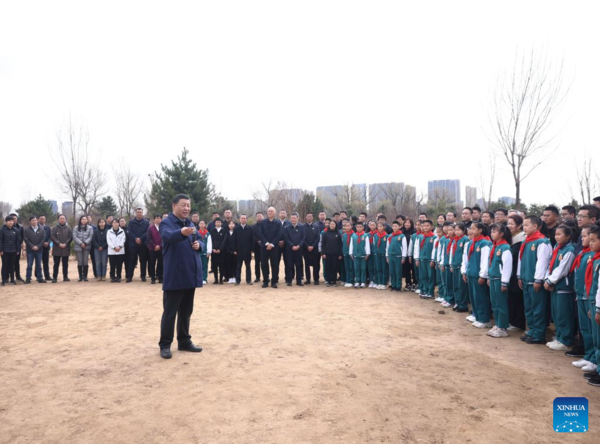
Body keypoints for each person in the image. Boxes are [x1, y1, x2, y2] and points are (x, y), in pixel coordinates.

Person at [158, 193, 204, 360]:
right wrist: (181, 233)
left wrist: (199, 245)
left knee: (186, 311)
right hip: (175, 275)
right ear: (174, 206)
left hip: (190, 275)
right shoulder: (166, 223)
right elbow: (167, 236)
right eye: (183, 205)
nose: (186, 208)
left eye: (188, 205)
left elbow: (200, 239)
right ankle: (165, 345)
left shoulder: (190, 223)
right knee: (170, 312)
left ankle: (184, 341)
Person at [517, 215, 552, 344]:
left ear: (536, 226)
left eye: (527, 225)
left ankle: (539, 333)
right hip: (526, 279)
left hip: (535, 281)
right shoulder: (526, 241)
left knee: (538, 308)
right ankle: (532, 329)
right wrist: (519, 275)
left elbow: (542, 262)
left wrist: (538, 279)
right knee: (529, 308)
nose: (524, 227)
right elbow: (521, 260)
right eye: (523, 225)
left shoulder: (541, 242)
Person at [544, 225, 576, 351]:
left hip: (564, 287)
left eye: (560, 234)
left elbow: (562, 270)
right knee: (557, 314)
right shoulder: (557, 248)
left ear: (568, 236)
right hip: (555, 287)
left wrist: (550, 280)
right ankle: (559, 337)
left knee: (564, 315)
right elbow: (550, 265)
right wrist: (548, 279)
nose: (556, 237)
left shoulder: (569, 250)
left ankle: (566, 341)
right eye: (556, 234)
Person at [571, 226, 596, 371]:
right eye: (583, 236)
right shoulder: (583, 253)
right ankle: (588, 355)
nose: (583, 239)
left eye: (586, 236)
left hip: (589, 297)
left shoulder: (594, 256)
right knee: (585, 328)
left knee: (593, 330)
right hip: (580, 295)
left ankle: (594, 359)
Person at [461, 222, 492, 328]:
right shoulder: (470, 243)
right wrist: (464, 271)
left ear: (480, 230)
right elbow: (466, 259)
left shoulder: (485, 243)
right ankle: (477, 316)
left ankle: (484, 319)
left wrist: (483, 275)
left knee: (481, 297)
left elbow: (485, 261)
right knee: (473, 297)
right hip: (471, 273)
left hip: (478, 275)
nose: (471, 231)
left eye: (473, 229)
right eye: (470, 229)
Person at [487, 224, 513, 337]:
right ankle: (497, 324)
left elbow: (507, 266)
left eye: (495, 232)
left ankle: (503, 327)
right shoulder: (495, 246)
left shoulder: (505, 247)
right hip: (493, 278)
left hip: (500, 279)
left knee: (501, 303)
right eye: (491, 231)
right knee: (495, 303)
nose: (492, 234)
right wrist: (489, 276)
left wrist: (504, 282)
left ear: (501, 234)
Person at [584, 225, 600, 384]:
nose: (590, 243)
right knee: (596, 338)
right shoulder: (595, 258)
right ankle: (598, 367)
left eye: (594, 240)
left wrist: (598, 308)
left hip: (598, 304)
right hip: (594, 302)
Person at [507, 214, 527, 331]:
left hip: (516, 272)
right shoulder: (511, 237)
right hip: (510, 272)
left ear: (519, 226)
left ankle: (518, 323)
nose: (509, 226)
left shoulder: (521, 239)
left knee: (516, 298)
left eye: (512, 224)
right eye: (508, 223)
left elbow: (514, 256)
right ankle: (512, 320)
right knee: (511, 298)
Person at [259, 207, 283, 288]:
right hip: (264, 247)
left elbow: (279, 234)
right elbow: (261, 234)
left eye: (271, 211)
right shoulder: (262, 222)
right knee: (264, 264)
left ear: (275, 213)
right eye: (268, 211)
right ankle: (265, 281)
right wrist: (267, 243)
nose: (270, 212)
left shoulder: (278, 223)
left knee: (274, 264)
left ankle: (274, 281)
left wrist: (272, 244)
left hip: (274, 247)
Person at [450, 223, 469, 313]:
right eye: (456, 230)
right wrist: (451, 264)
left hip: (461, 266)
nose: (457, 232)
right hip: (455, 265)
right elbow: (452, 253)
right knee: (456, 286)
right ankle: (457, 302)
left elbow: (465, 255)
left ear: (463, 230)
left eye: (459, 230)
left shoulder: (465, 239)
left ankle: (463, 304)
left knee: (462, 286)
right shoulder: (455, 240)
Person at [127, 208, 150, 282]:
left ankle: (143, 276)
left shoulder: (146, 222)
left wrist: (141, 239)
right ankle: (129, 276)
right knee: (132, 261)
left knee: (143, 261)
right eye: (138, 212)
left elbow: (147, 232)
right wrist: (136, 239)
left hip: (143, 244)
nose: (139, 213)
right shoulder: (131, 222)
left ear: (142, 213)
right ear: (135, 213)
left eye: (140, 212)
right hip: (133, 244)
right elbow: (130, 232)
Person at [415, 220, 435, 298]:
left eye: (428, 226)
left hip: (429, 261)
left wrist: (433, 260)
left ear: (431, 227)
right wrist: (417, 259)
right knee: (423, 276)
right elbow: (417, 249)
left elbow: (434, 250)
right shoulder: (420, 237)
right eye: (424, 226)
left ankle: (430, 292)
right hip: (421, 260)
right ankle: (424, 290)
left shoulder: (434, 237)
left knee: (430, 276)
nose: (426, 227)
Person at [22, 216, 46, 284]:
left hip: (39, 250)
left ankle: (40, 278)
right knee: (29, 265)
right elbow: (26, 239)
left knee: (38, 265)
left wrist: (38, 246)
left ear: (37, 221)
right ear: (30, 221)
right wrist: (32, 246)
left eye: (35, 220)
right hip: (30, 250)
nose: (34, 221)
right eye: (33, 220)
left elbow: (43, 239)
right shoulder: (26, 230)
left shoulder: (41, 229)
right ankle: (28, 278)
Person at [283, 213, 305, 286]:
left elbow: (303, 238)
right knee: (289, 265)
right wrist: (292, 246)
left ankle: (299, 280)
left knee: (299, 265)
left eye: (294, 218)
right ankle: (289, 280)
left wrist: (298, 246)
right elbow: (286, 238)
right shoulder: (287, 228)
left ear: (297, 218)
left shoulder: (302, 227)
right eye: (292, 218)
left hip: (299, 250)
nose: (293, 219)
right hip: (289, 250)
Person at [50, 214, 72, 283]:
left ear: (65, 219)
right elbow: (52, 236)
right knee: (56, 264)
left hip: (65, 248)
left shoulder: (68, 228)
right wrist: (59, 243)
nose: (62, 220)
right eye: (61, 218)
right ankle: (54, 277)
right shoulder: (54, 228)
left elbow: (70, 237)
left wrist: (66, 243)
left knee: (65, 264)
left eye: (63, 218)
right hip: (57, 249)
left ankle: (65, 277)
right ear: (58, 219)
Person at [386, 221, 406, 292]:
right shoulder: (390, 236)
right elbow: (387, 247)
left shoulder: (402, 236)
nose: (394, 227)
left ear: (399, 227)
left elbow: (404, 247)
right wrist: (387, 256)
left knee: (398, 272)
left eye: (396, 226)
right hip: (391, 256)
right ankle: (393, 285)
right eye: (393, 226)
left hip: (398, 256)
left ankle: (398, 286)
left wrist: (403, 257)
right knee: (392, 272)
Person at [234, 214, 255, 285]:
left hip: (247, 250)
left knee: (248, 266)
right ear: (240, 219)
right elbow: (234, 240)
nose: (243, 219)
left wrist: (252, 249)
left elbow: (252, 239)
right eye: (242, 218)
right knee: (238, 266)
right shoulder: (236, 228)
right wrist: (234, 249)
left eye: (244, 218)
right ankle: (237, 280)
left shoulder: (250, 228)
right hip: (238, 250)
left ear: (246, 219)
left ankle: (248, 280)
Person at [320, 220, 342, 287]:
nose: (332, 225)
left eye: (333, 224)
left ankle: (334, 281)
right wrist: (323, 253)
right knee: (328, 267)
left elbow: (340, 245)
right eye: (331, 224)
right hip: (327, 254)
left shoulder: (338, 234)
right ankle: (328, 280)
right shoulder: (325, 233)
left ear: (335, 225)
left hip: (335, 254)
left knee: (334, 267)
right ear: (329, 225)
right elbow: (322, 244)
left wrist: (340, 254)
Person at [0, 216, 21, 285]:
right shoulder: (2, 230)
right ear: (6, 222)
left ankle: (12, 279)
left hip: (13, 251)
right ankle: (4, 280)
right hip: (5, 251)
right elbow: (0, 241)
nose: (10, 222)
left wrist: (17, 250)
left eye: (12, 221)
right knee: (5, 265)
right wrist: (1, 250)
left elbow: (17, 241)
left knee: (12, 265)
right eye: (9, 221)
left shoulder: (16, 230)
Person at [73, 215, 94, 282]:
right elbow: (74, 236)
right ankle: (80, 276)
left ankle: (85, 276)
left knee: (85, 261)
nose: (84, 220)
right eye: (82, 219)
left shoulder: (90, 228)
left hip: (86, 246)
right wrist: (80, 243)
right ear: (80, 220)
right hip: (78, 247)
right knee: (80, 261)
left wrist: (85, 243)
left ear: (87, 220)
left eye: (85, 219)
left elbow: (90, 236)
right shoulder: (76, 228)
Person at [302, 212, 321, 285]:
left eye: (310, 216)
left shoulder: (316, 226)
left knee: (316, 264)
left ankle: (316, 279)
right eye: (308, 216)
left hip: (314, 248)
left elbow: (318, 237)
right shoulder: (303, 226)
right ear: (306, 218)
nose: (309, 218)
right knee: (306, 264)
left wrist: (312, 246)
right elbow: (302, 237)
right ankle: (308, 279)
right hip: (305, 248)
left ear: (313, 218)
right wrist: (307, 246)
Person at [440, 222, 455, 308]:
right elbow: (443, 253)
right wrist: (442, 263)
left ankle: (451, 299)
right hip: (445, 265)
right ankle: (447, 298)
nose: (449, 232)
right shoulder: (446, 241)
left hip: (452, 266)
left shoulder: (455, 241)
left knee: (452, 284)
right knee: (446, 283)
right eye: (448, 230)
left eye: (451, 230)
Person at [147, 214, 164, 284]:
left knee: (161, 263)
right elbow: (149, 238)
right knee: (152, 263)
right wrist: (154, 246)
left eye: (159, 218)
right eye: (156, 218)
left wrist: (159, 246)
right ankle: (153, 278)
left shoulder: (163, 228)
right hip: (152, 249)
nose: (158, 219)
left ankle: (160, 277)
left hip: (161, 248)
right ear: (154, 220)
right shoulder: (150, 228)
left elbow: (164, 238)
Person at [372, 222, 389, 290]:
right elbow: (374, 244)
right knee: (378, 269)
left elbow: (387, 246)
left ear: (384, 227)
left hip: (383, 254)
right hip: (377, 254)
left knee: (384, 269)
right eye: (378, 227)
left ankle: (384, 283)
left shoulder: (387, 236)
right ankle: (379, 282)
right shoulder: (375, 236)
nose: (379, 228)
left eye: (381, 226)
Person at [9, 214, 24, 282]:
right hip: (9, 248)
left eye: (15, 218)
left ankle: (18, 276)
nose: (14, 220)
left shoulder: (20, 227)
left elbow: (22, 237)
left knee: (17, 263)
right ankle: (7, 277)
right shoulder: (6, 227)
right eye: (13, 218)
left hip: (17, 248)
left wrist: (20, 244)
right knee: (9, 263)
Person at [209, 218, 226, 284]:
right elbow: (211, 241)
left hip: (221, 251)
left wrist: (220, 249)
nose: (218, 223)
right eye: (217, 222)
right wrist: (213, 248)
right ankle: (216, 279)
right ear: (215, 223)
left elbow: (224, 240)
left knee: (222, 265)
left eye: (219, 222)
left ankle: (221, 279)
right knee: (214, 265)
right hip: (214, 251)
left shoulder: (224, 231)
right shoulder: (212, 230)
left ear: (221, 223)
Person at [402, 219, 416, 290]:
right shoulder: (402, 232)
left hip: (412, 253)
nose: (407, 224)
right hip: (404, 253)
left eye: (409, 223)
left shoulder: (414, 232)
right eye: (406, 223)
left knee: (413, 269)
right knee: (406, 269)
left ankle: (414, 283)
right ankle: (408, 283)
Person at [38, 215, 52, 281]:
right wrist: (41, 243)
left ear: (45, 220)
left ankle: (47, 276)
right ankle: (38, 276)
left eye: (43, 219)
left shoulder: (48, 228)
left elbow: (50, 237)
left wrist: (48, 242)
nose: (42, 220)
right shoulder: (36, 227)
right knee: (38, 262)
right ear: (38, 220)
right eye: (41, 219)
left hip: (46, 247)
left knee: (46, 262)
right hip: (39, 247)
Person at [197, 220, 211, 285]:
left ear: (205, 225)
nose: (202, 225)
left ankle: (204, 278)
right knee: (198, 266)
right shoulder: (197, 233)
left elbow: (209, 243)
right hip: (198, 252)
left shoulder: (207, 234)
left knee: (205, 266)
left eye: (203, 223)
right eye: (200, 223)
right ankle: (198, 278)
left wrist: (209, 252)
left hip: (205, 252)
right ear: (199, 225)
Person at [341, 221, 355, 288]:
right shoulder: (344, 235)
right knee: (346, 268)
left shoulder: (354, 235)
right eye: (346, 226)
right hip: (345, 253)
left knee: (351, 267)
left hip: (351, 254)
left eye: (349, 226)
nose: (347, 227)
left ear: (351, 226)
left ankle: (351, 281)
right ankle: (347, 280)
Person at [252, 212, 263, 282]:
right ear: (256, 217)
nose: (259, 217)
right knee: (257, 263)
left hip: (265, 246)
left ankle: (266, 276)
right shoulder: (253, 226)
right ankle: (257, 277)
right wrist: (258, 241)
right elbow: (252, 235)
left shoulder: (266, 225)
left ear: (263, 216)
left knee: (264, 263)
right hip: (257, 246)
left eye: (260, 216)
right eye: (258, 216)